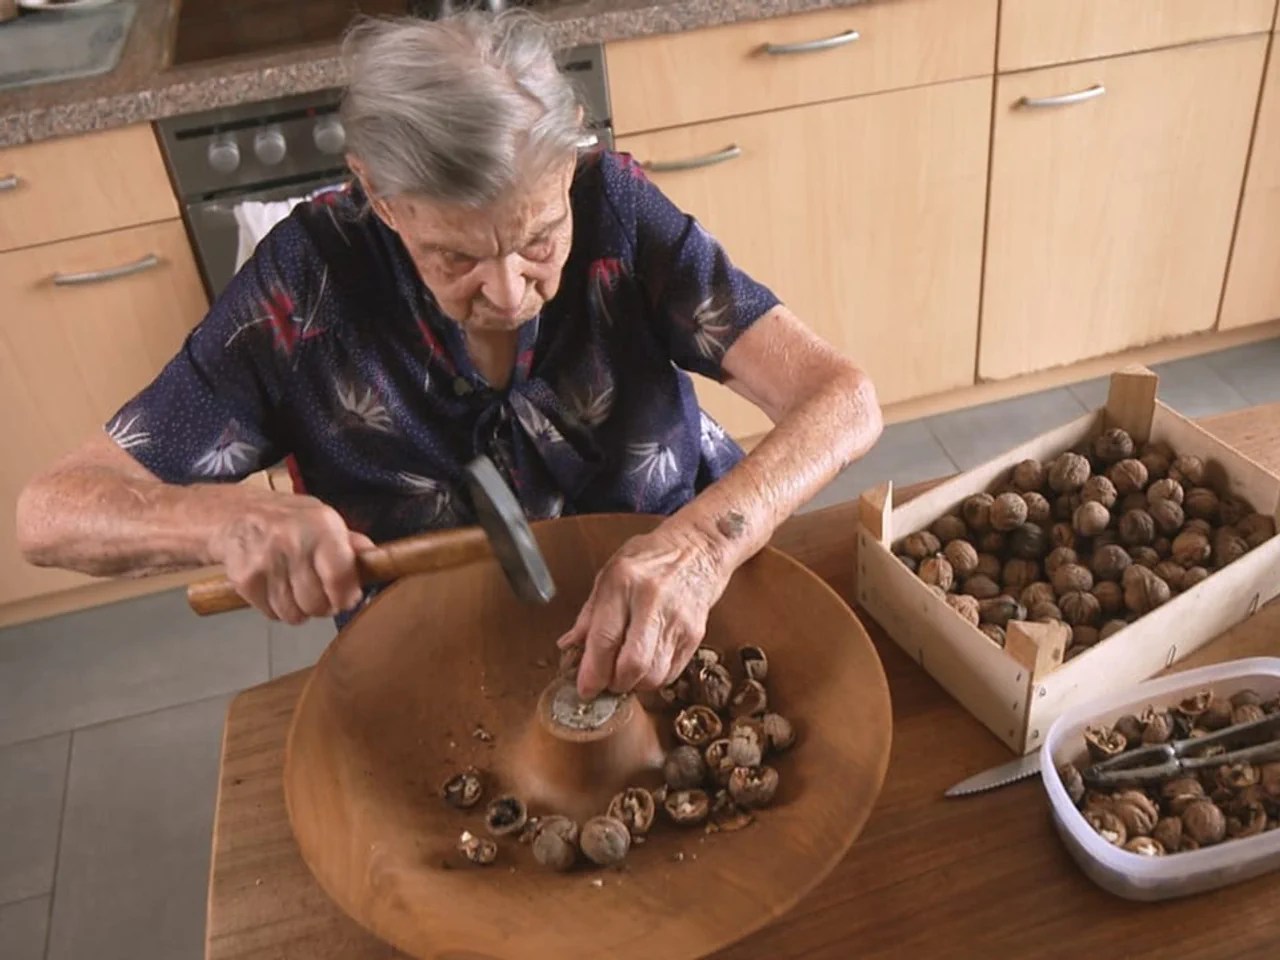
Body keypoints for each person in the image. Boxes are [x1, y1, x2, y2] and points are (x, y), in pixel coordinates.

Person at [15, 11, 882, 701]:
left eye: (541, 239)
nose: (509, 293)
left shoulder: (615, 207)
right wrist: (219, 521)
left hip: (688, 591)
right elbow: (48, 512)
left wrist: (701, 545)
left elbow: (843, 399)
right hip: (447, 657)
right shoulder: (309, 282)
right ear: (382, 201)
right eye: (457, 258)